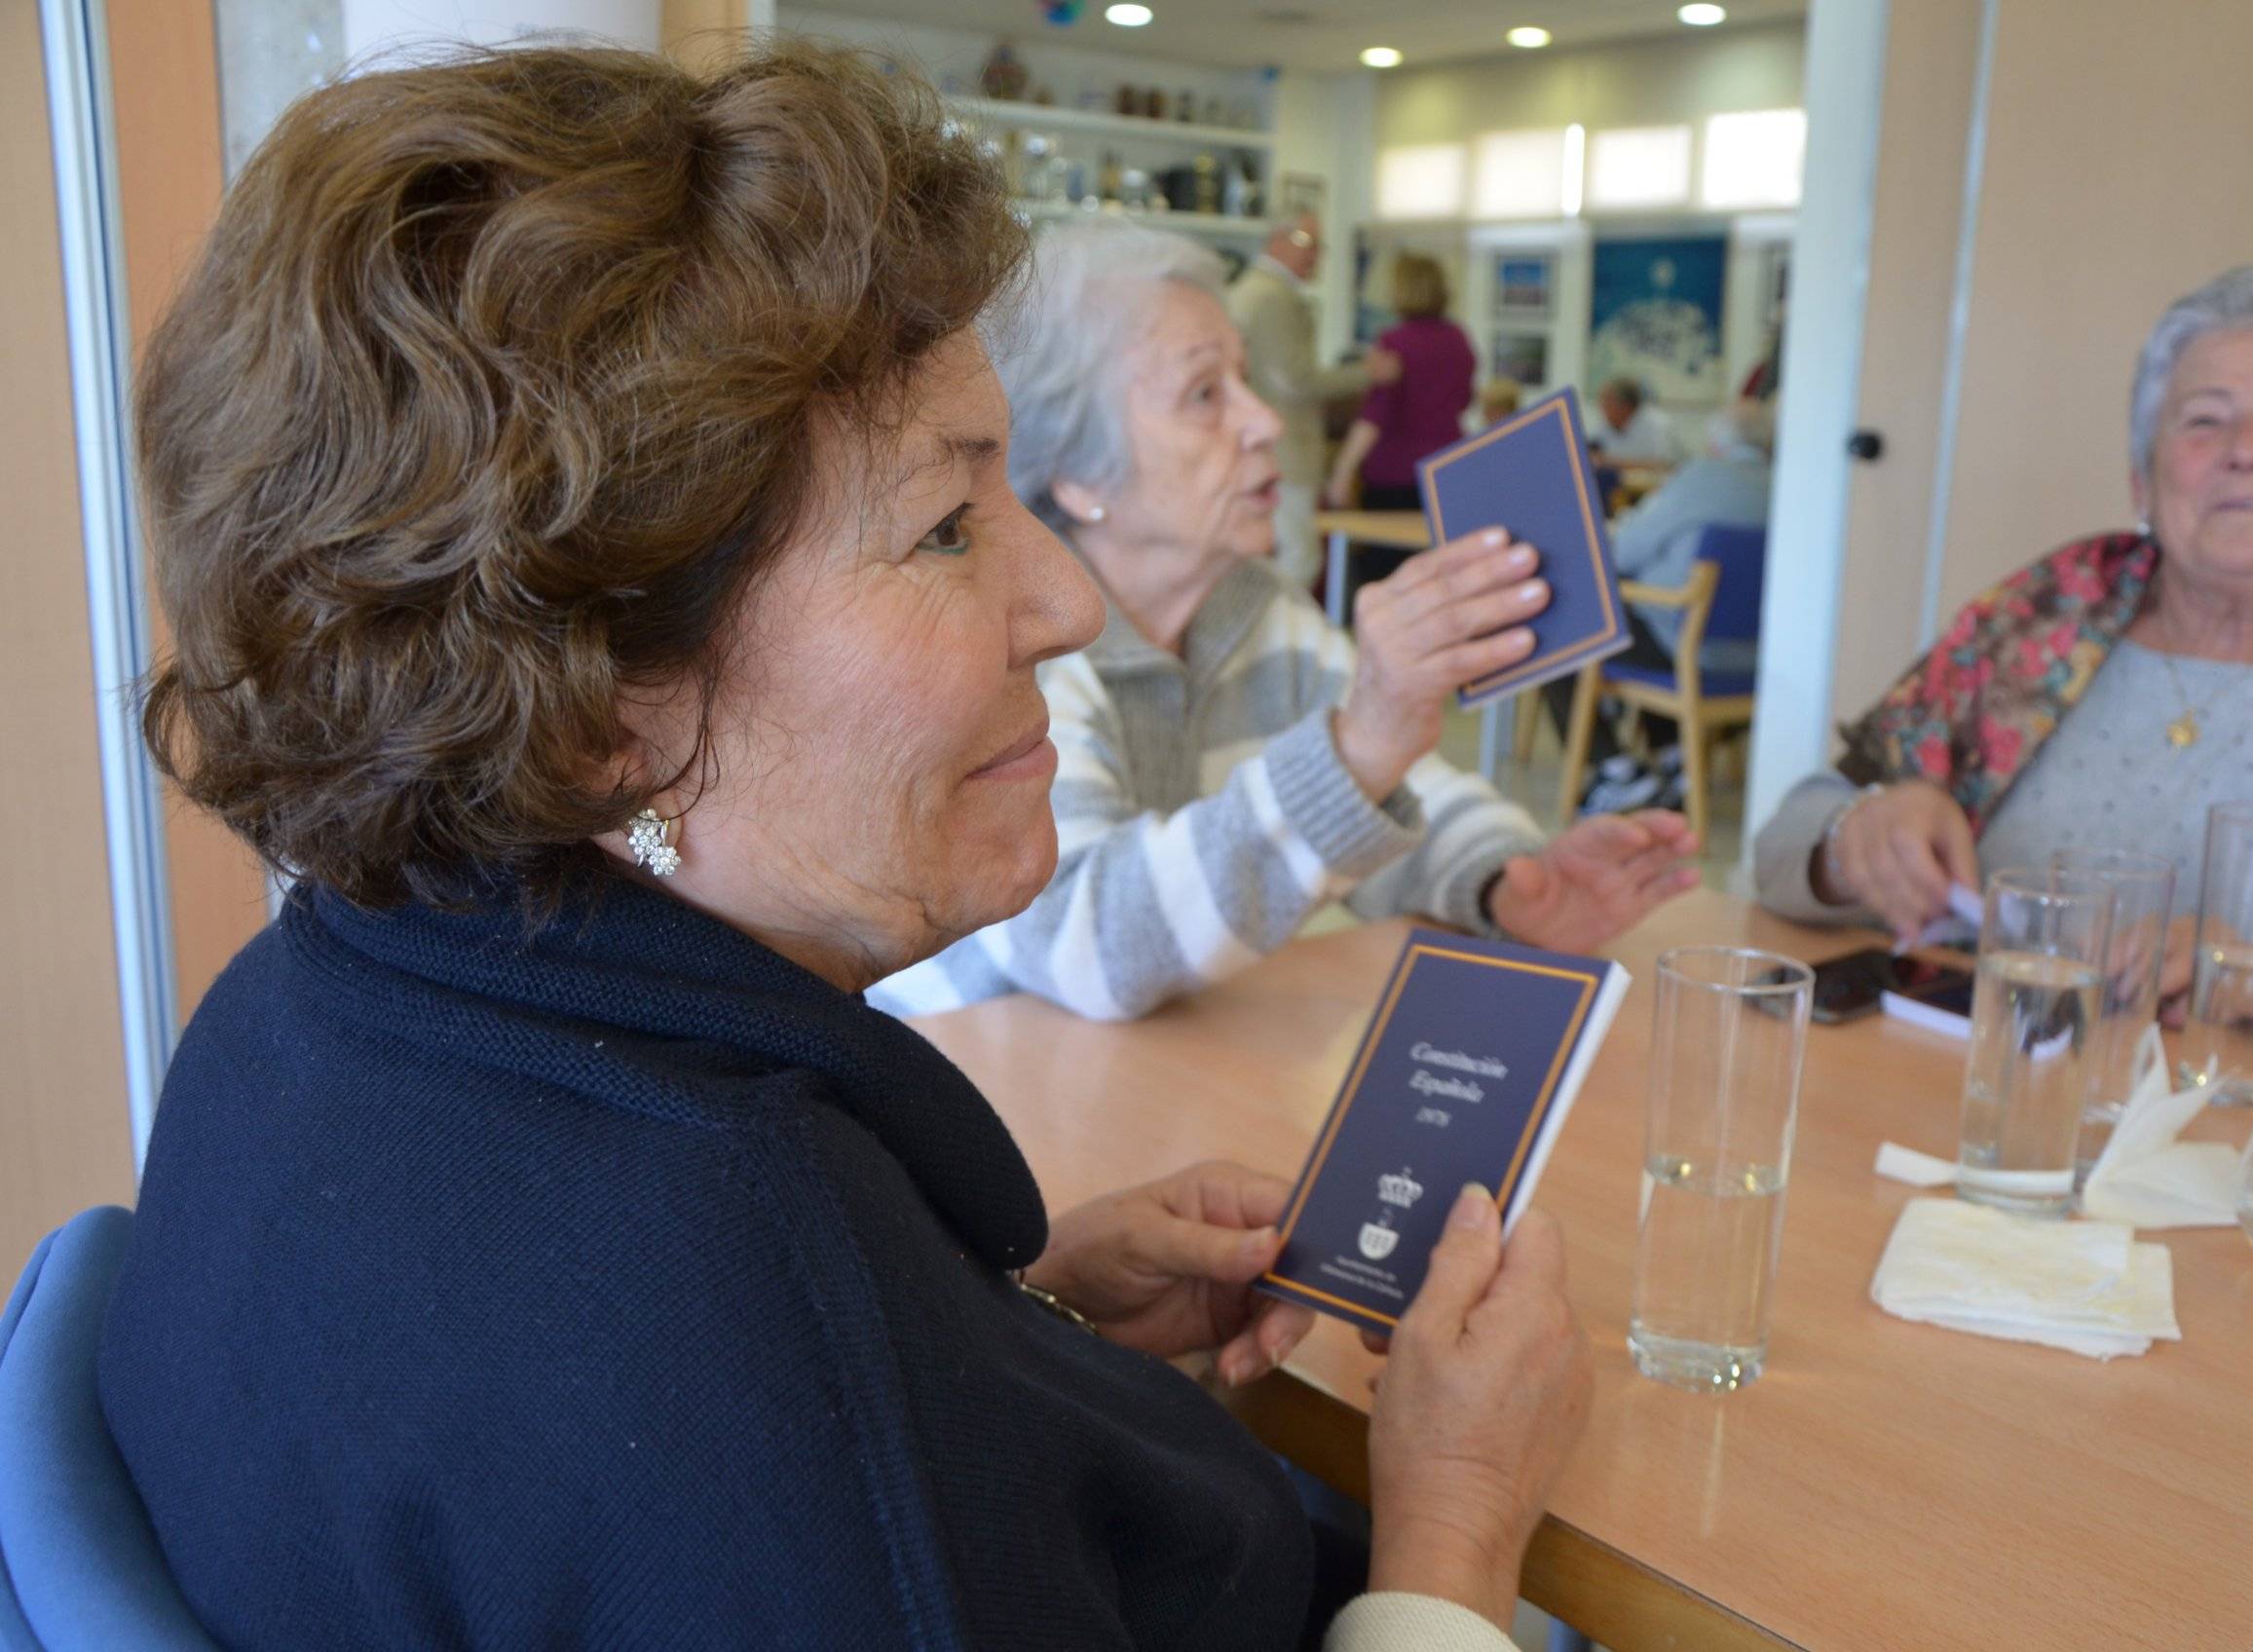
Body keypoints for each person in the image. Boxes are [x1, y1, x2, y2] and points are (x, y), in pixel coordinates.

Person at [98, 45, 1591, 1652]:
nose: (1066, 603)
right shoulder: (753, 1361)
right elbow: (784, 1466)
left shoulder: (297, 1005)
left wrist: (1009, 1326)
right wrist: (1450, 1526)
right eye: (944, 526)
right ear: (599, 712)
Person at [871, 224, 1699, 1023]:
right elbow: (1088, 944)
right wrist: (1358, 746)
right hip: (980, 1097)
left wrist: (1509, 881)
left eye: (1247, 379)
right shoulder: (1017, 647)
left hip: (1146, 1085)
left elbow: (1402, 798)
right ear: (1082, 471)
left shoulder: (1258, 611)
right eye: (1204, 394)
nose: (1264, 421)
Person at [1754, 264, 2253, 950]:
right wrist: (1856, 839)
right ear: (2142, 477)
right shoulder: (2030, 626)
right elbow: (1780, 852)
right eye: (2205, 418)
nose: (2248, 449)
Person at [1562, 400, 1777, 815]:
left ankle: (1614, 769)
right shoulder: (1785, 487)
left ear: (1715, 442)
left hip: (1688, 649)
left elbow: (1622, 552)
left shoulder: (1702, 477)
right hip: (1760, 659)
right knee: (1649, 619)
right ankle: (1673, 758)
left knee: (1571, 622)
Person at [1229, 212, 1396, 589]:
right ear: (1278, 239)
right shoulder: (1271, 295)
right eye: (1308, 242)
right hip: (1284, 451)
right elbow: (1294, 381)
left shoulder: (1253, 290)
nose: (1317, 255)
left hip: (1265, 450)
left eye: (1320, 245)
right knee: (1299, 559)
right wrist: (1367, 373)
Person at [1323, 254, 1475, 600]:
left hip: (1395, 475)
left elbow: (1376, 414)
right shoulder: (1459, 340)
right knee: (1438, 581)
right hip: (1448, 470)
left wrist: (1343, 470)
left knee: (1390, 583)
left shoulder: (1395, 342)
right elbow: (1464, 400)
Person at [1587, 376, 1687, 466]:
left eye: (1607, 403)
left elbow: (1663, 464)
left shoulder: (1658, 424)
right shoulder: (1603, 426)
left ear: (1625, 406)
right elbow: (1591, 456)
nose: (1601, 408)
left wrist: (1611, 461)